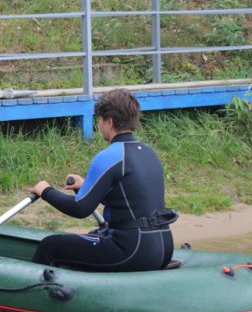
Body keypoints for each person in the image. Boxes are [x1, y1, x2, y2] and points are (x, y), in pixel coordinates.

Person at [30, 88, 177, 272]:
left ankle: (25, 296)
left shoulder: (110, 155)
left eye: (99, 120)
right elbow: (130, 199)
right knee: (93, 237)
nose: (99, 125)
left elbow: (80, 208)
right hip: (163, 247)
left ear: (110, 121)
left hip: (132, 250)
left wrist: (45, 191)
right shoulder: (149, 152)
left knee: (50, 245)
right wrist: (85, 186)